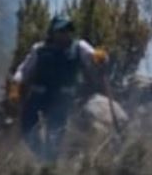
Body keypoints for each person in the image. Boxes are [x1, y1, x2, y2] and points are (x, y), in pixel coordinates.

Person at [12, 15, 109, 162]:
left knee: (55, 134)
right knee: (27, 131)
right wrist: (15, 86)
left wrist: (100, 57)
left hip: (62, 99)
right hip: (39, 96)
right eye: (61, 30)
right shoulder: (40, 49)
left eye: (68, 30)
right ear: (52, 32)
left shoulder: (79, 47)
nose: (65, 34)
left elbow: (93, 56)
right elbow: (24, 70)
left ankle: (50, 165)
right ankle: (43, 156)